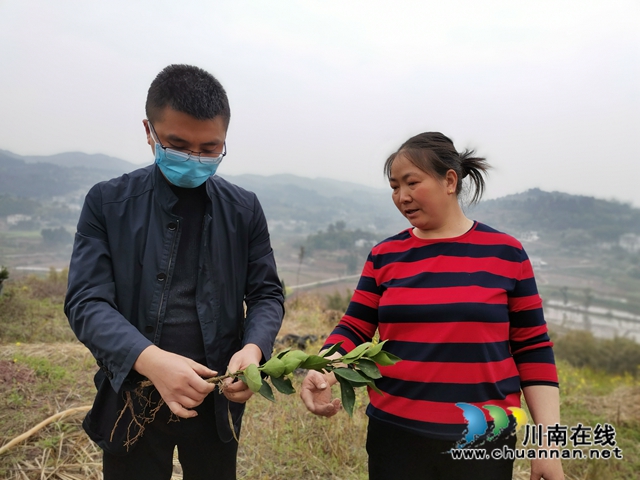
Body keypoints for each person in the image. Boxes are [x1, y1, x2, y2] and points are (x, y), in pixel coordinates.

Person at [300, 132, 564, 480]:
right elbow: (355, 326)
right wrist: (325, 369)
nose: (401, 196)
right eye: (394, 186)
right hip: (394, 436)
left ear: (449, 180)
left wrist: (548, 447)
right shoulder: (385, 255)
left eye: (412, 182)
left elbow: (533, 351)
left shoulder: (505, 253)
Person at [64, 64, 284, 480]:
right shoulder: (108, 204)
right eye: (178, 145)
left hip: (216, 395)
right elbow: (86, 302)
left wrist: (253, 351)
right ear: (150, 131)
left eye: (209, 148)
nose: (194, 159)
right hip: (133, 394)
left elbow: (266, 294)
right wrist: (151, 361)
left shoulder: (244, 209)